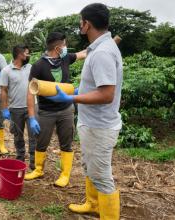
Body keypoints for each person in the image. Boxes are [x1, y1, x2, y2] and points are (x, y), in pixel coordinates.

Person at [48, 3, 123, 219]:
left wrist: (71, 97)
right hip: (92, 123)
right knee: (90, 167)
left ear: (87, 24)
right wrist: (84, 90)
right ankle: (93, 204)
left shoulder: (103, 53)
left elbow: (107, 94)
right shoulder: (99, 48)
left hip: (100, 126)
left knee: (101, 175)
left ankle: (108, 213)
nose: (80, 25)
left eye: (81, 21)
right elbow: (99, 85)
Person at [24, 32, 86, 188]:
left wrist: (100, 47)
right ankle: (38, 170)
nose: (66, 48)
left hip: (66, 109)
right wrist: (31, 117)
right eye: (64, 45)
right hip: (46, 111)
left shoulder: (65, 58)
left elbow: (82, 53)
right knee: (42, 141)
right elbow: (30, 92)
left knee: (66, 142)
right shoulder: (39, 66)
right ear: (58, 47)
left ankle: (65, 175)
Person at [0, 44, 36, 169]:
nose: (28, 55)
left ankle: (33, 161)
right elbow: (3, 90)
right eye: (26, 53)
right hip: (15, 109)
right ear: (20, 54)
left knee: (33, 135)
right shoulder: (6, 71)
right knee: (18, 135)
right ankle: (20, 159)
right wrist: (4, 109)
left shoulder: (31, 68)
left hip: (32, 107)